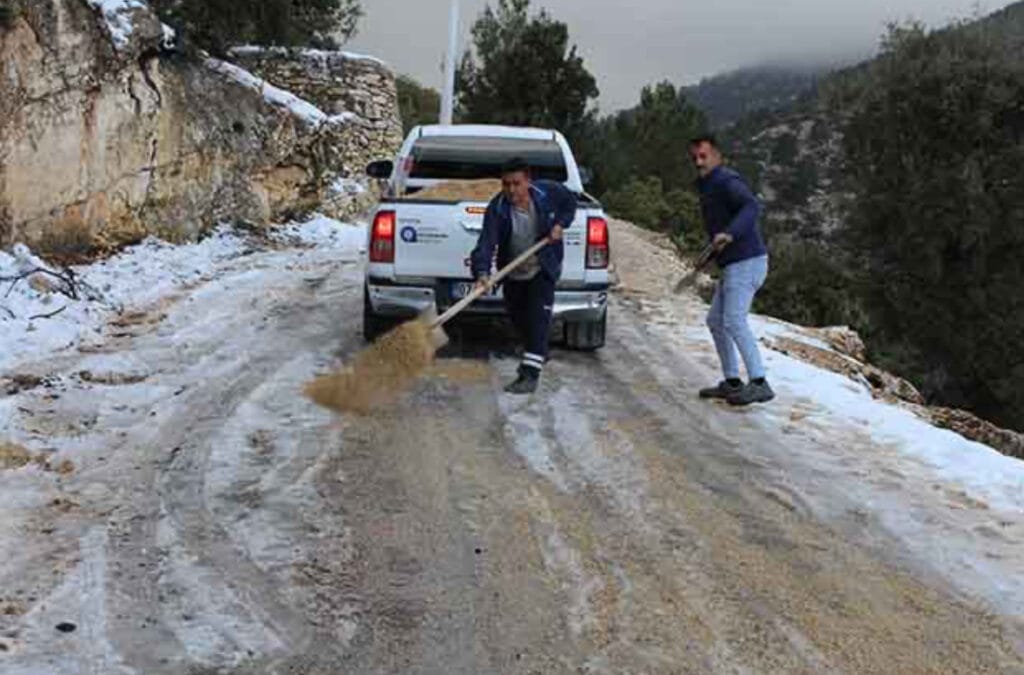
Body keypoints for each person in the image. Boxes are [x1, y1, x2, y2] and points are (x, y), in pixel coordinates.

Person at [471, 157, 577, 394]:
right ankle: (537, 351)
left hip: (543, 265)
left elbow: (570, 203)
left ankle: (529, 374)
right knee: (519, 318)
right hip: (514, 269)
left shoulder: (548, 192)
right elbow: (486, 244)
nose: (511, 190)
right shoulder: (497, 209)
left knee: (538, 317)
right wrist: (482, 273)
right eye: (506, 184)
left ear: (528, 181)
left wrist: (561, 224)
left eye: (516, 184)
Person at [689, 135, 774, 405]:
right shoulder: (707, 186)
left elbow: (751, 206)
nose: (698, 162)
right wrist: (708, 255)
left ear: (717, 156)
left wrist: (730, 233)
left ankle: (759, 382)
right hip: (732, 264)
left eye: (703, 156)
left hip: (747, 262)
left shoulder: (727, 181)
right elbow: (720, 232)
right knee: (716, 321)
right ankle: (732, 382)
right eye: (695, 158)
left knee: (734, 320)